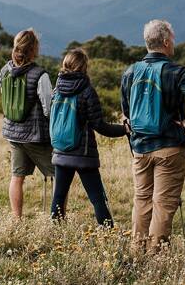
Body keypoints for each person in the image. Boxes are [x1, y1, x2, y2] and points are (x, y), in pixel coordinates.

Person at [120, 19, 185, 254]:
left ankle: (138, 252)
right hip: (169, 147)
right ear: (166, 42)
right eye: (174, 39)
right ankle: (156, 257)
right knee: (164, 204)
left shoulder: (130, 72)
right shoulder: (176, 72)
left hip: (140, 148)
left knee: (142, 200)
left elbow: (126, 111)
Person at [49, 48, 129, 226]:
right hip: (83, 154)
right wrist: (125, 129)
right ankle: (108, 236)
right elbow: (100, 125)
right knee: (98, 198)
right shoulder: (87, 91)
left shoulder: (57, 89)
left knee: (59, 197)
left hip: (61, 150)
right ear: (84, 67)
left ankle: (54, 233)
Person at [0, 29, 54, 219]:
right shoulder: (40, 75)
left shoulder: (4, 71)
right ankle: (58, 220)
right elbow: (48, 108)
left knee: (17, 177)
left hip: (13, 133)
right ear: (34, 49)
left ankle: (16, 219)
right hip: (35, 136)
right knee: (57, 175)